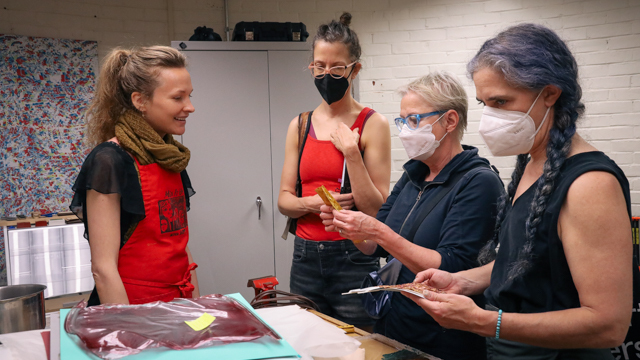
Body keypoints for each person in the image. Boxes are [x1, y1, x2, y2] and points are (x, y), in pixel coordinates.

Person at [406, 23, 632, 360]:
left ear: (550, 94)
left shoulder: (590, 184)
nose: (489, 118)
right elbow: (528, 262)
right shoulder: (532, 162)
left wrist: (484, 322)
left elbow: (608, 324)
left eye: (501, 101)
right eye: (485, 102)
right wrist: (462, 281)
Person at [320, 71, 505, 359]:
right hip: (395, 320)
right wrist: (350, 228)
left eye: (414, 120)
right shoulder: (414, 174)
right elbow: (374, 247)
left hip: (441, 332)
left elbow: (452, 266)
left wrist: (376, 230)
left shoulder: (478, 182)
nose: (405, 129)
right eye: (402, 120)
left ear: (450, 121)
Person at [277, 12, 391, 329]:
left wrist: (352, 154)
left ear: (355, 69)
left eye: (337, 67)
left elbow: (378, 207)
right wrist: (310, 204)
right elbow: (284, 200)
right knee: (305, 339)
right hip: (305, 257)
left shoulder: (373, 124)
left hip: (354, 255)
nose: (327, 74)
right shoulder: (299, 126)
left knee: (360, 343)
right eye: (319, 66)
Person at [70, 46, 200, 306]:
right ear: (140, 101)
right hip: (131, 310)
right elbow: (103, 269)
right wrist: (130, 334)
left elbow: (180, 246)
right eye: (178, 98)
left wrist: (197, 310)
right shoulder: (110, 160)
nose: (190, 107)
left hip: (176, 304)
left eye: (190, 96)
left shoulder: (170, 155)